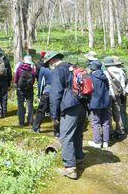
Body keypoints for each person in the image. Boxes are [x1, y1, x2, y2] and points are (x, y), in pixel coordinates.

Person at [44, 51, 86, 180]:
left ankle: (70, 168)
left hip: (69, 106)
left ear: (52, 61)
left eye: (48, 63)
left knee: (66, 136)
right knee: (78, 132)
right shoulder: (72, 67)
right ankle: (78, 157)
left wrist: (54, 114)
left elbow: (55, 94)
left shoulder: (58, 71)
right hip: (82, 104)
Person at [87, 60, 111, 148]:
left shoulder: (90, 77)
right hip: (106, 101)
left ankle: (97, 142)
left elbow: (88, 90)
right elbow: (107, 88)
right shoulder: (104, 76)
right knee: (106, 122)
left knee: (95, 122)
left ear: (92, 68)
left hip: (95, 102)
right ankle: (106, 142)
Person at [103, 56, 127, 140]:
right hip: (118, 94)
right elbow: (123, 83)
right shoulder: (121, 71)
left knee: (108, 114)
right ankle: (120, 130)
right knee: (118, 112)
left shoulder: (105, 72)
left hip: (109, 95)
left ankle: (110, 131)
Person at [14, 55, 36, 126]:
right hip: (29, 89)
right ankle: (30, 121)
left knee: (21, 105)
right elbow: (33, 80)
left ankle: (21, 122)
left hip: (20, 89)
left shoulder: (19, 68)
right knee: (30, 105)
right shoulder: (32, 69)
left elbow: (16, 79)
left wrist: (18, 85)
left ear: (24, 60)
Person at [33, 62, 52, 133]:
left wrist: (39, 95)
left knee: (41, 110)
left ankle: (36, 128)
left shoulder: (43, 70)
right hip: (56, 92)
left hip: (47, 92)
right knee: (54, 111)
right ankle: (57, 131)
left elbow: (41, 84)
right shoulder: (53, 69)